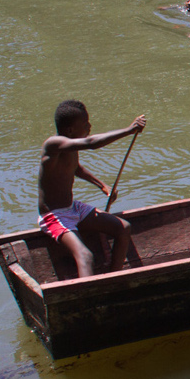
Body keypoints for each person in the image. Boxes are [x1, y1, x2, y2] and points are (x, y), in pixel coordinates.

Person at [38, 100, 147, 279]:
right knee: (86, 256)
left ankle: (113, 280)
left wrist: (103, 186)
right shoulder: (53, 144)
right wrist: (129, 130)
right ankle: (89, 300)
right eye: (85, 124)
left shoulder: (71, 145)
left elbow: (76, 168)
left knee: (123, 228)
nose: (90, 126)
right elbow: (91, 142)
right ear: (71, 130)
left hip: (73, 208)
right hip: (54, 215)